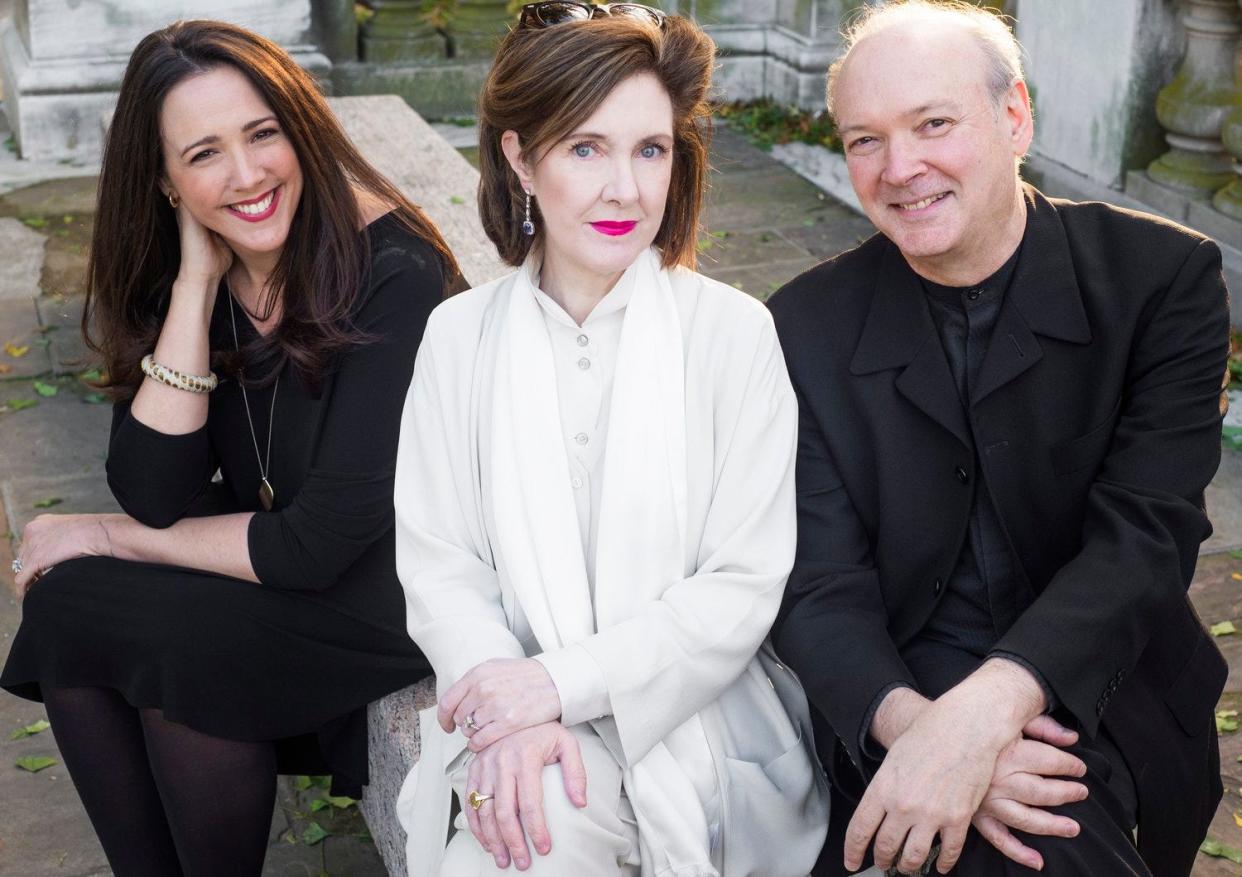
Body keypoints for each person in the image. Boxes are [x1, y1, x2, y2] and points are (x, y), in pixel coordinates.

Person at [768, 2, 1233, 875]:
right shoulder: (800, 324)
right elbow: (817, 581)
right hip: (892, 685)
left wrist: (983, 717)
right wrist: (924, 733)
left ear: (1014, 114)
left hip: (1097, 680)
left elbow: (1146, 537)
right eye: (863, 139)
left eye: (933, 123)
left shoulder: (1163, 282)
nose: (900, 169)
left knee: (1026, 841)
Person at [1, 20, 458, 876]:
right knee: (67, 605)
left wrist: (102, 533)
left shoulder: (396, 274)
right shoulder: (202, 274)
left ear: (301, 129)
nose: (246, 176)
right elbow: (153, 487)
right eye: (204, 154)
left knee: (179, 651)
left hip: (389, 593)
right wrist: (197, 282)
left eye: (262, 134)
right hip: (286, 561)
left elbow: (323, 539)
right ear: (167, 183)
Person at [392, 4, 828, 875]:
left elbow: (740, 586)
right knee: (518, 836)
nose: (625, 188)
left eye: (650, 150)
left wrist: (557, 685)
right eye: (585, 148)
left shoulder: (734, 335)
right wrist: (510, 705)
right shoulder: (457, 336)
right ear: (520, 156)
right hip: (510, 700)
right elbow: (440, 563)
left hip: (694, 718)